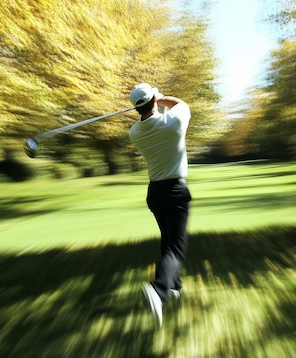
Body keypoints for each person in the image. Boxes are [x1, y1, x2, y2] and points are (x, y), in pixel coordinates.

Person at [128, 83, 192, 327]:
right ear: (154, 99)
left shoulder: (135, 133)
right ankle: (159, 289)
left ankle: (174, 287)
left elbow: (152, 116)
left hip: (155, 193)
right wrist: (163, 97)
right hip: (175, 191)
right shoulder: (174, 122)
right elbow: (181, 104)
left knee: (167, 240)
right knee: (176, 247)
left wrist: (153, 99)